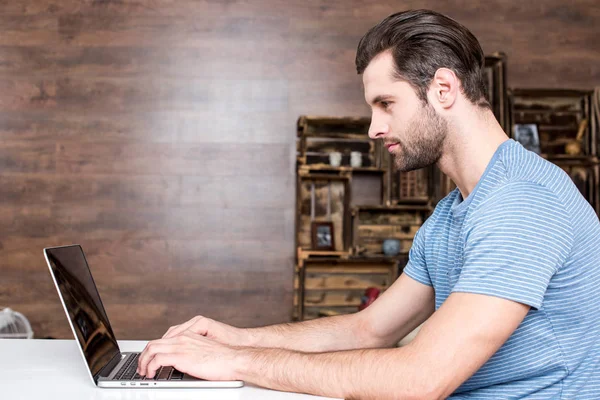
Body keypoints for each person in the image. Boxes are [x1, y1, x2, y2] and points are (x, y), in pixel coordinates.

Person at [137, 9, 600, 399]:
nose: (373, 128)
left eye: (386, 103)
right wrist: (239, 339)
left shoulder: (522, 202)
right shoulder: (451, 215)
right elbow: (370, 330)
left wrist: (236, 361)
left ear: (443, 89)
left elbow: (421, 378)